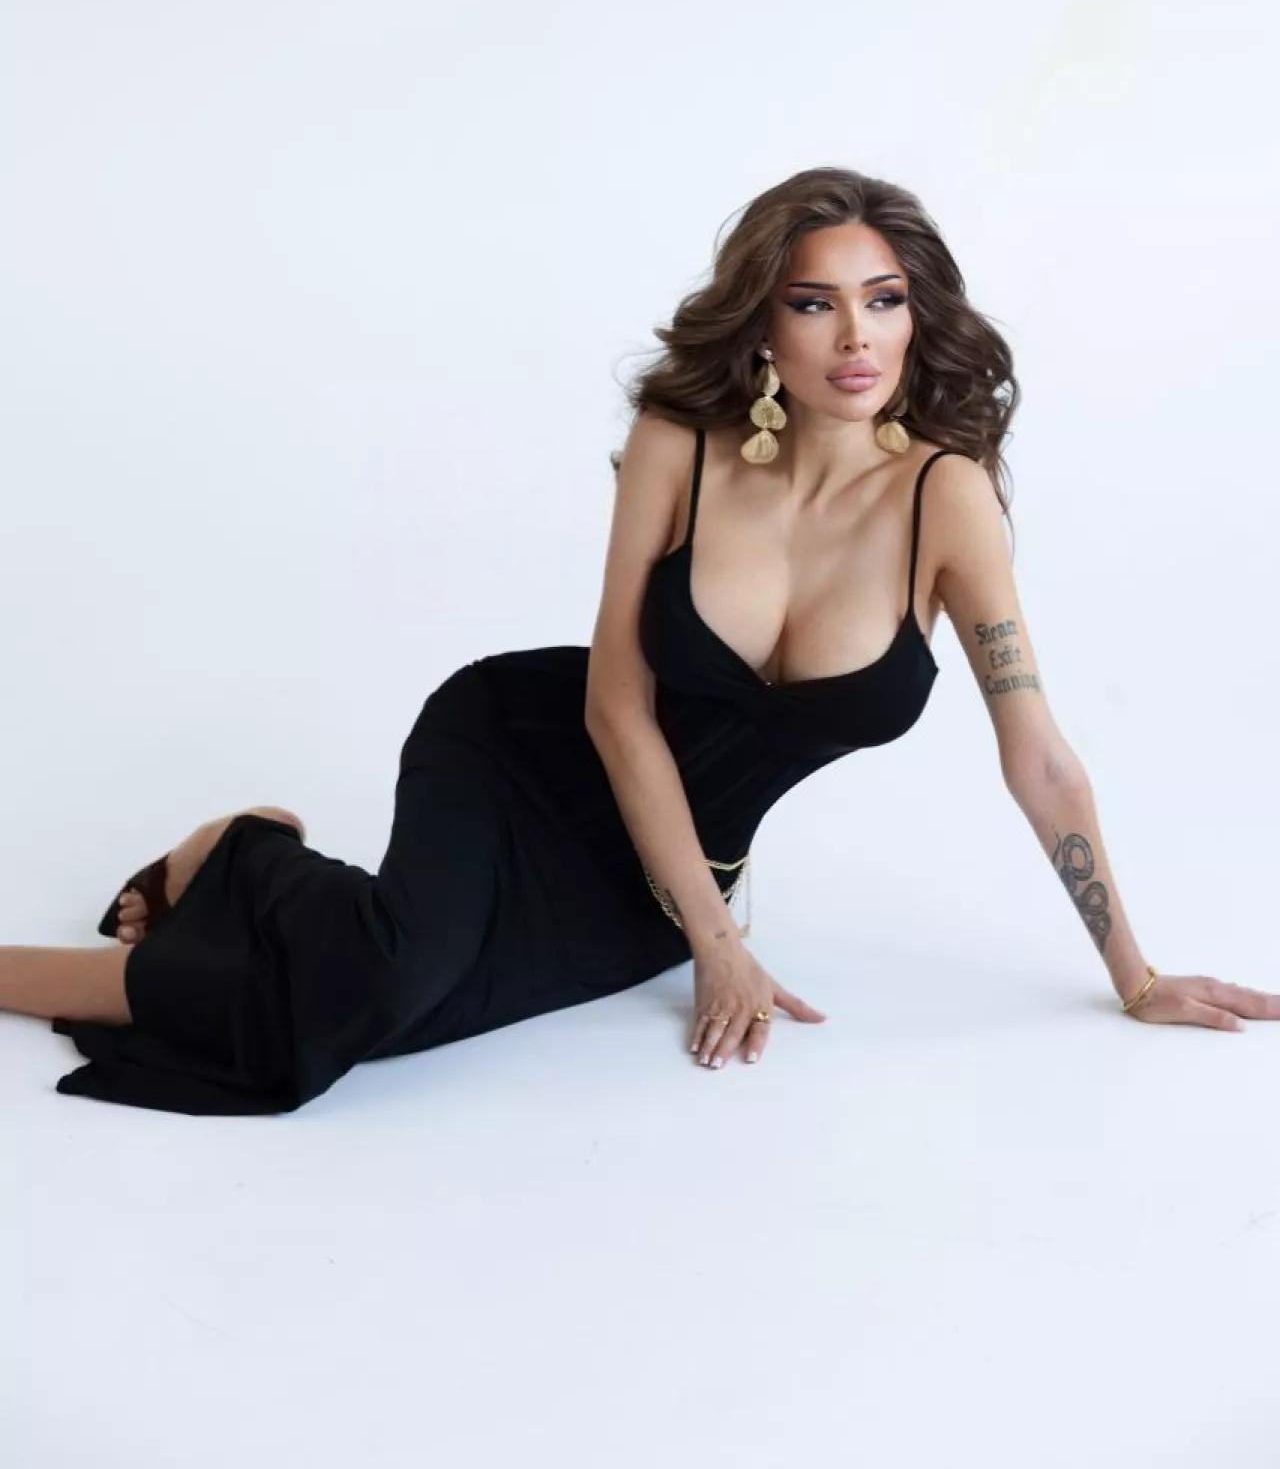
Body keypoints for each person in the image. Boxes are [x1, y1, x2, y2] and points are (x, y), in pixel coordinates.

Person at [8, 165, 1276, 1113]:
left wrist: (1132, 973)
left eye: (883, 301)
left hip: (670, 873)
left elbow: (1036, 754)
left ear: (914, 313)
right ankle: (135, 909)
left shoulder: (943, 500)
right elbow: (617, 704)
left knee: (390, 1023)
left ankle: (247, 856)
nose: (855, 338)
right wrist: (719, 949)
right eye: (815, 303)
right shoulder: (683, 444)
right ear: (763, 324)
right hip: (523, 751)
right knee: (375, 991)